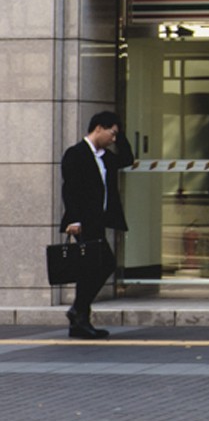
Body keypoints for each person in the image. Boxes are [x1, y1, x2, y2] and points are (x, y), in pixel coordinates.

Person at [59, 111, 129, 340]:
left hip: (99, 221)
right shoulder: (75, 154)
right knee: (104, 263)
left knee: (89, 269)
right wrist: (73, 219)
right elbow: (70, 189)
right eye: (112, 133)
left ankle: (80, 320)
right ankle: (78, 311)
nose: (114, 139)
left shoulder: (106, 157)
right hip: (83, 223)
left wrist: (122, 134)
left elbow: (127, 159)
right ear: (98, 128)